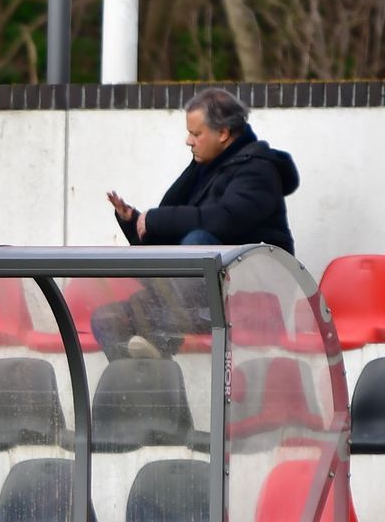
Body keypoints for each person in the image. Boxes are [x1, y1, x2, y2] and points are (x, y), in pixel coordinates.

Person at [95, 88, 300, 359]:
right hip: (191, 303)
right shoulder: (203, 170)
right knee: (106, 319)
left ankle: (165, 330)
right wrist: (134, 222)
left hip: (245, 301)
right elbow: (170, 239)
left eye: (196, 134)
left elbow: (225, 221)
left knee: (197, 244)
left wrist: (156, 219)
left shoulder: (259, 170)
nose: (188, 141)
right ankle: (144, 381)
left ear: (223, 133)